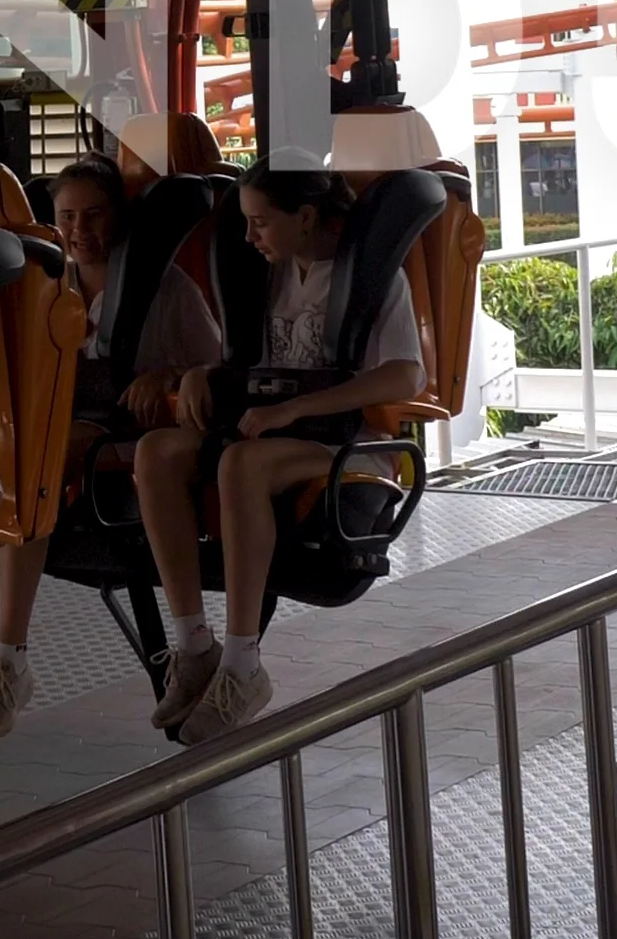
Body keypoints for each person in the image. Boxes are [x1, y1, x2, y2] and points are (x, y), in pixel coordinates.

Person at [128, 165, 427, 746]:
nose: (250, 238)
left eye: (261, 222)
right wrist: (198, 373)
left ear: (306, 217)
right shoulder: (269, 277)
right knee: (157, 451)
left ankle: (242, 664)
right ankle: (194, 646)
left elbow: (406, 374)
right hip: (272, 431)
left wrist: (294, 410)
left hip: (348, 447)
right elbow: (245, 367)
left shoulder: (369, 278)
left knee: (241, 463)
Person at [0, 160, 220, 739]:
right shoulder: (49, 290)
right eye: (67, 216)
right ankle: (9, 656)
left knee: (41, 461)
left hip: (145, 436)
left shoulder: (165, 286)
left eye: (93, 214)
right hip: (78, 439)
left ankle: (12, 656)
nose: (79, 229)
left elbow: (215, 365)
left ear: (118, 219)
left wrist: (169, 374)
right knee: (29, 464)